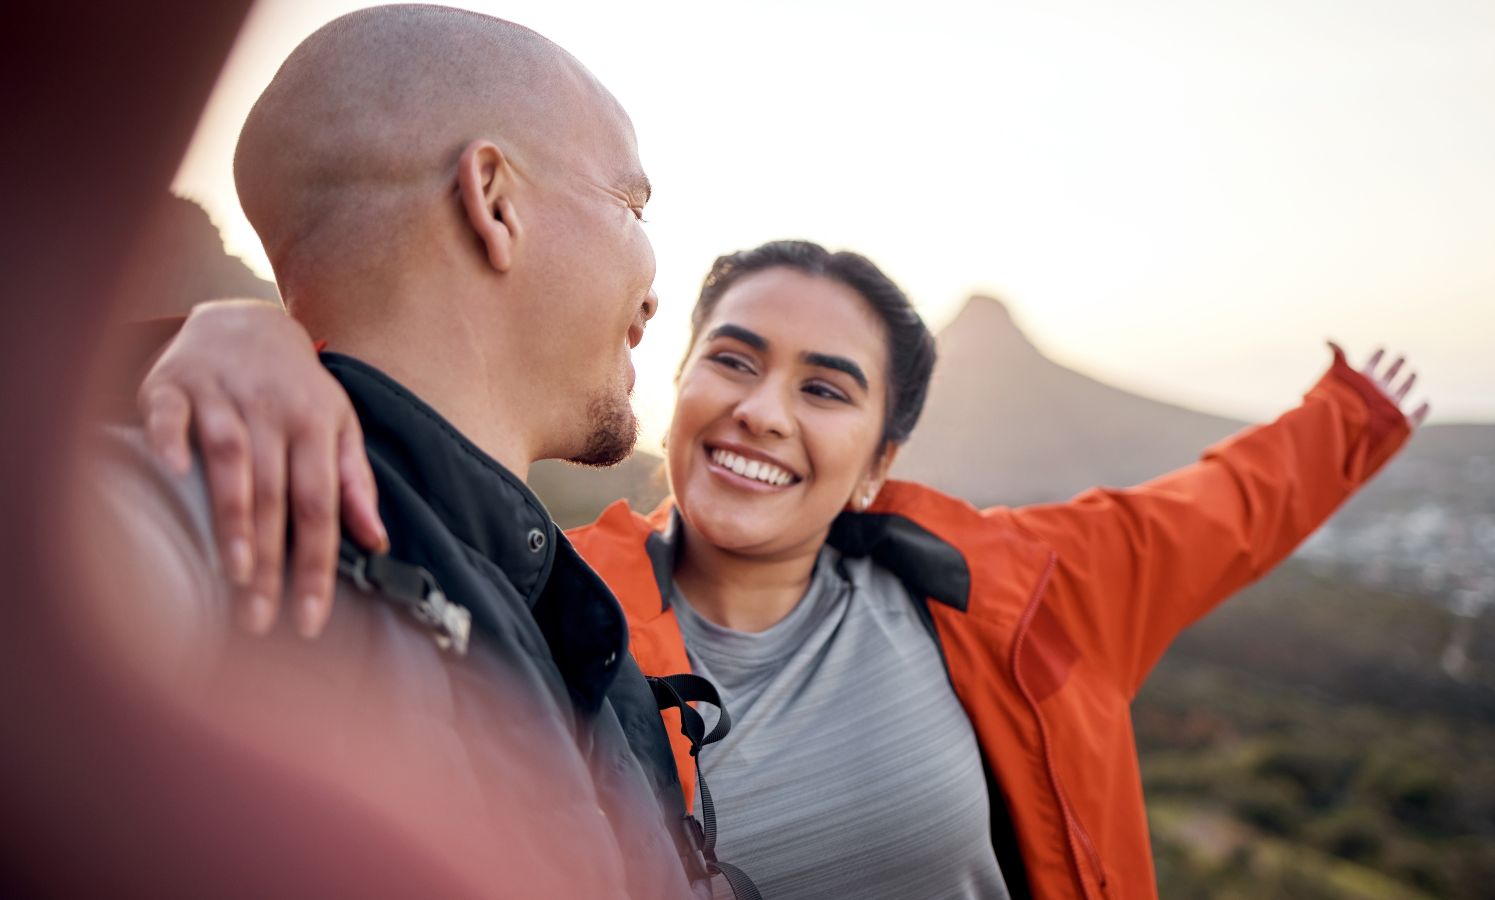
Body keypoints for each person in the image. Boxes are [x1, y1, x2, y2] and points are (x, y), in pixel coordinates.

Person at [144, 237, 1425, 900]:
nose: (763, 410)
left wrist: (1352, 417)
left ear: (876, 461)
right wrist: (246, 338)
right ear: (679, 386)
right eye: (735, 360)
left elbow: (1217, 510)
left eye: (826, 388)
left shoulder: (1019, 591)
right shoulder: (552, 597)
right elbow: (398, 449)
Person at [94, 6, 724, 898]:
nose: (656, 289)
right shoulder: (213, 512)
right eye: (632, 204)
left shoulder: (564, 616)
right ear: (494, 199)